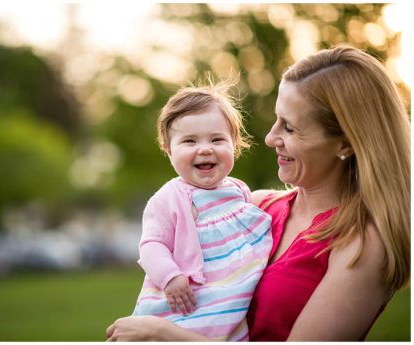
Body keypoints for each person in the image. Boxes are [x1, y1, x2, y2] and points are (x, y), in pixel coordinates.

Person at [107, 45, 410, 341]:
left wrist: (164, 335)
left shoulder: (363, 244)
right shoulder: (254, 206)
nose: (269, 137)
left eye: (290, 129)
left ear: (345, 143)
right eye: (276, 120)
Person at [130, 80, 273, 341]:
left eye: (217, 139)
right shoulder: (170, 198)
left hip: (229, 307)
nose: (205, 148)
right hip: (183, 304)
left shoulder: (239, 191)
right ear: (168, 150)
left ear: (235, 144)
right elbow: (151, 245)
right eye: (189, 141)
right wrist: (170, 277)